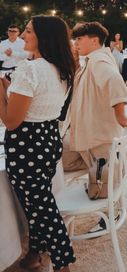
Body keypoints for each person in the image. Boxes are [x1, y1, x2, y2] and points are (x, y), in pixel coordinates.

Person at [0, 15, 76, 272]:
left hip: (26, 144)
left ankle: (63, 263)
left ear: (44, 36)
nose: (22, 35)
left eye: (29, 31)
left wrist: (1, 93)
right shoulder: (62, 67)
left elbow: (11, 121)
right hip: (47, 137)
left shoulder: (30, 69)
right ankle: (34, 253)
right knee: (36, 201)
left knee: (40, 205)